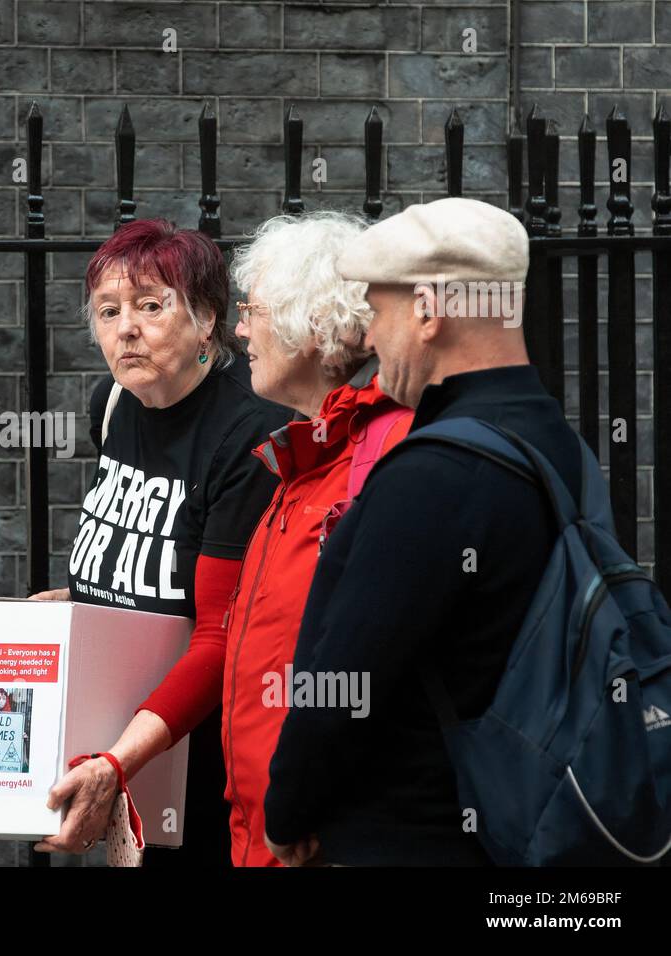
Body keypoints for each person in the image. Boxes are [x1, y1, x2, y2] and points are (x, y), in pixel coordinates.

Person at [262, 198, 572, 866]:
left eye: (377, 311)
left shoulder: (435, 472)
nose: (369, 339)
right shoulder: (557, 443)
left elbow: (348, 672)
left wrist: (288, 810)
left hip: (411, 837)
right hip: (522, 821)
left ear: (429, 313)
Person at [30, 218, 288, 865]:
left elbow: (219, 633)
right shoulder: (114, 405)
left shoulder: (247, 436)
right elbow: (151, 562)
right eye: (109, 311)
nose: (126, 329)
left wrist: (117, 762)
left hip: (203, 771)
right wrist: (81, 600)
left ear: (206, 320)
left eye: (151, 306)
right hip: (127, 757)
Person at [222, 212, 412, 866]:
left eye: (254, 310)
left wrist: (302, 804)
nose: (240, 328)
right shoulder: (305, 461)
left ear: (311, 321)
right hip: (268, 832)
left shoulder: (381, 456)